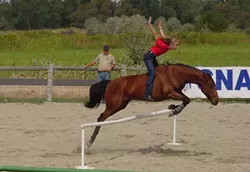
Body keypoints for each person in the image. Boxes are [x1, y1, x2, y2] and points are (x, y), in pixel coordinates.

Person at [143, 16, 179, 101]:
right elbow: (155, 35)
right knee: (152, 73)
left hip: (153, 57)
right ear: (172, 45)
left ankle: (157, 89)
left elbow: (163, 36)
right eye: (176, 45)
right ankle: (147, 94)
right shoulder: (164, 46)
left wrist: (160, 27)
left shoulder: (167, 44)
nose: (176, 47)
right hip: (148, 57)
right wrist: (150, 25)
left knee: (159, 70)